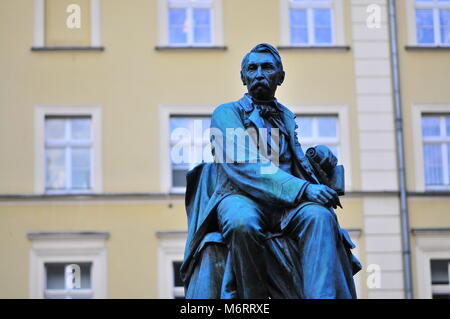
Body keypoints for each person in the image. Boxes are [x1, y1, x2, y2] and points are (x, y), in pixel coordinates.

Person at [181, 43, 359, 299]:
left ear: (281, 76)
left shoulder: (285, 117)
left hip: (287, 206)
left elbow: (290, 163)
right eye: (252, 68)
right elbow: (243, 164)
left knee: (320, 216)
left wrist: (318, 157)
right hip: (239, 195)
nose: (259, 73)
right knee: (243, 223)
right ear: (243, 77)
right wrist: (305, 189)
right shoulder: (226, 113)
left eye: (267, 67)